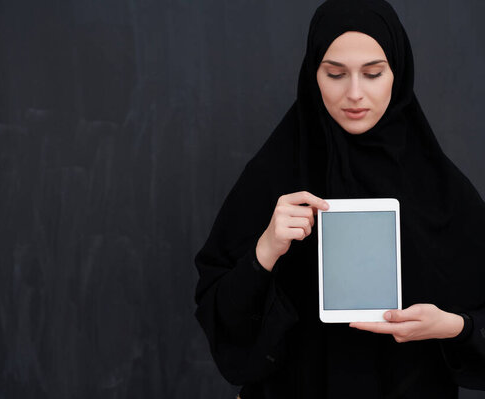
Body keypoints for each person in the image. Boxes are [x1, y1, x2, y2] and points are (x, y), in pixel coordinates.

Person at [193, 0, 485, 398]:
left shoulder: (440, 189)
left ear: (397, 74)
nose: (354, 93)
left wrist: (453, 326)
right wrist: (265, 250)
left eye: (373, 73)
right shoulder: (275, 175)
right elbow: (220, 312)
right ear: (313, 74)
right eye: (335, 74)